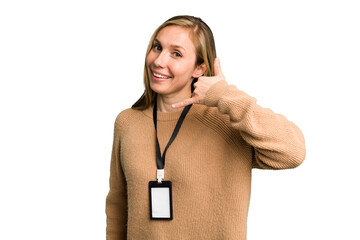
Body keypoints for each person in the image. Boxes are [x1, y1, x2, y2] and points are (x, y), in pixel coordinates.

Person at [106, 15, 306, 240]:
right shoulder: (128, 122)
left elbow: (293, 152)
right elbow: (118, 206)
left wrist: (224, 94)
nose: (159, 61)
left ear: (200, 69)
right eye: (157, 47)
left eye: (176, 53)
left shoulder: (227, 121)